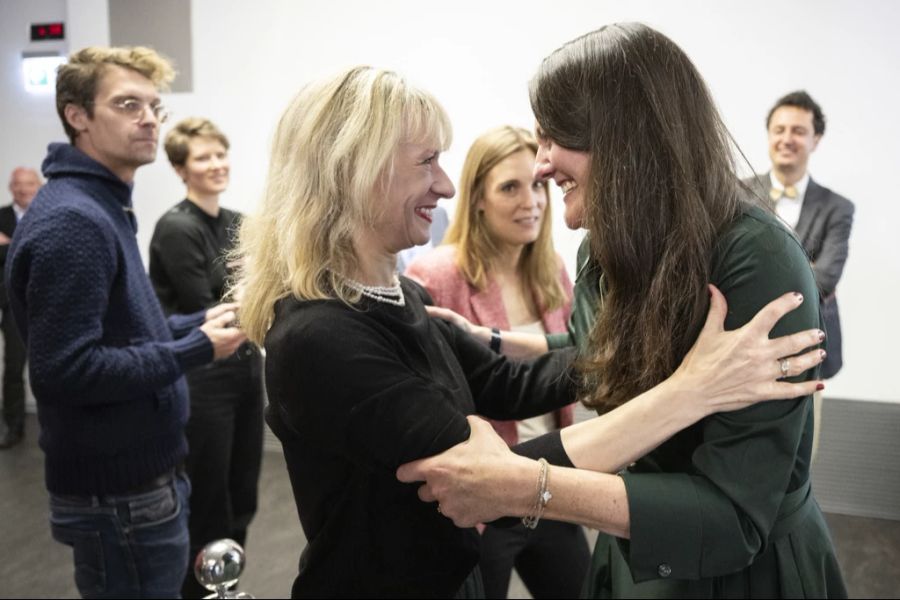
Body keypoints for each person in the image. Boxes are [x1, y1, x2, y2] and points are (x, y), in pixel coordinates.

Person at [235, 65, 826, 598]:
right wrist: (691, 389)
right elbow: (483, 478)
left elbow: (509, 384)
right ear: (353, 172)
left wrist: (653, 346)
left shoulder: (403, 297)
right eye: (426, 163)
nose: (445, 187)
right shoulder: (319, 338)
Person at [399, 23, 847, 599]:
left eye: (553, 138)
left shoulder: (757, 260)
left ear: (627, 136)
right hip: (635, 547)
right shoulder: (602, 246)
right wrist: (496, 340)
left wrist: (523, 486)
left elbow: (735, 520)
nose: (540, 167)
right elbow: (602, 352)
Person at [4, 46, 245, 598]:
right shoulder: (74, 219)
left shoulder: (100, 205)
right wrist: (196, 349)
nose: (149, 119)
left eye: (155, 106)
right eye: (127, 104)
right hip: (119, 495)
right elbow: (66, 369)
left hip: (137, 484)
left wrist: (194, 323)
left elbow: (123, 336)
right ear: (78, 115)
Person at [405, 125, 589, 599]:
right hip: (485, 506)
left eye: (539, 185)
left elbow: (571, 355)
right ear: (478, 198)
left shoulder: (552, 269)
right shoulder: (437, 274)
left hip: (551, 486)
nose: (531, 201)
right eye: (510, 187)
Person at [149, 117, 265, 598]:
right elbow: (207, 307)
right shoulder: (177, 227)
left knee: (242, 496)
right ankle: (199, 589)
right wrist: (248, 295)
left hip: (243, 373)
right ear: (180, 169)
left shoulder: (239, 223)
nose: (216, 164)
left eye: (220, 154)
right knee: (209, 500)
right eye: (202, 157)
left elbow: (257, 294)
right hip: (203, 380)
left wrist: (248, 296)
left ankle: (226, 584)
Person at [746, 90, 854, 459]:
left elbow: (825, 278)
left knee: (799, 456)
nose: (786, 138)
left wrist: (760, 273)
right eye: (779, 129)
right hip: (746, 345)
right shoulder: (737, 193)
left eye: (797, 130)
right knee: (746, 451)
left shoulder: (837, 207)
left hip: (812, 349)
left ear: (815, 139)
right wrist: (800, 269)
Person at [0, 167, 40, 449]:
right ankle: (13, 427)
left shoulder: (49, 214)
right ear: (10, 187)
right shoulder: (1, 215)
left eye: (28, 184)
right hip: (4, 300)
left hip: (31, 303)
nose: (23, 189)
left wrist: (9, 245)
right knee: (12, 370)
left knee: (30, 366)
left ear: (38, 186)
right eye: (18, 184)